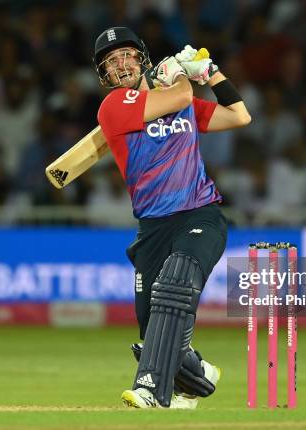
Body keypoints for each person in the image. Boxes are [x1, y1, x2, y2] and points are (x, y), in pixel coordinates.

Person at [93, 27, 251, 409]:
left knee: (175, 282)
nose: (122, 64)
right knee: (154, 331)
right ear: (106, 77)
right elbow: (179, 93)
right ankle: (196, 378)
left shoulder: (181, 103)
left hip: (200, 213)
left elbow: (239, 115)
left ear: (142, 58)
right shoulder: (113, 106)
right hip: (153, 226)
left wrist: (209, 72)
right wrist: (179, 74)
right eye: (112, 62)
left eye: (128, 55)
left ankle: (150, 389)